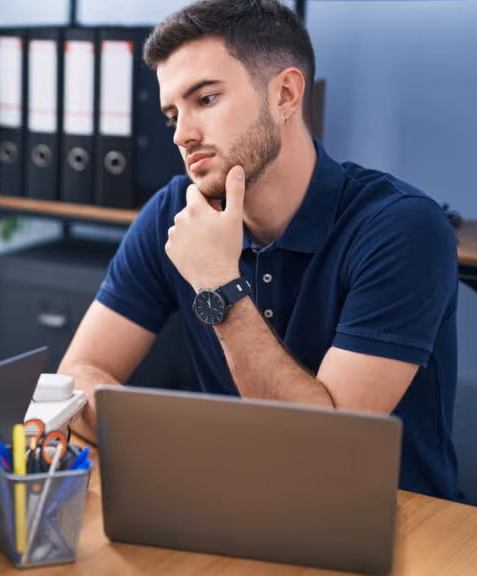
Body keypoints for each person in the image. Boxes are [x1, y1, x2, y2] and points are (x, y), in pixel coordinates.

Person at [59, 0, 460, 501]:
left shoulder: (401, 228)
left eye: (204, 99)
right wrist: (179, 445)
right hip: (234, 505)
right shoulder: (172, 215)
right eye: (172, 114)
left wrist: (217, 285)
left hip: (394, 523)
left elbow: (322, 450)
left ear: (287, 95)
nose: (183, 134)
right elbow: (74, 377)